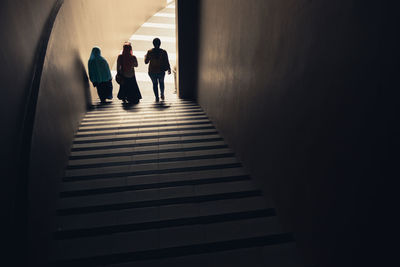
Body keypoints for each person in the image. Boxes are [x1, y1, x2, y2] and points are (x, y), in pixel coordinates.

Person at [145, 38, 171, 102]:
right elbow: (166, 61)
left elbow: (146, 62)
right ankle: (162, 94)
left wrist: (145, 57)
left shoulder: (150, 52)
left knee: (154, 84)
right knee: (161, 83)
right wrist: (169, 69)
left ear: (153, 44)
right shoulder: (163, 52)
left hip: (152, 71)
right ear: (160, 44)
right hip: (161, 71)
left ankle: (156, 97)